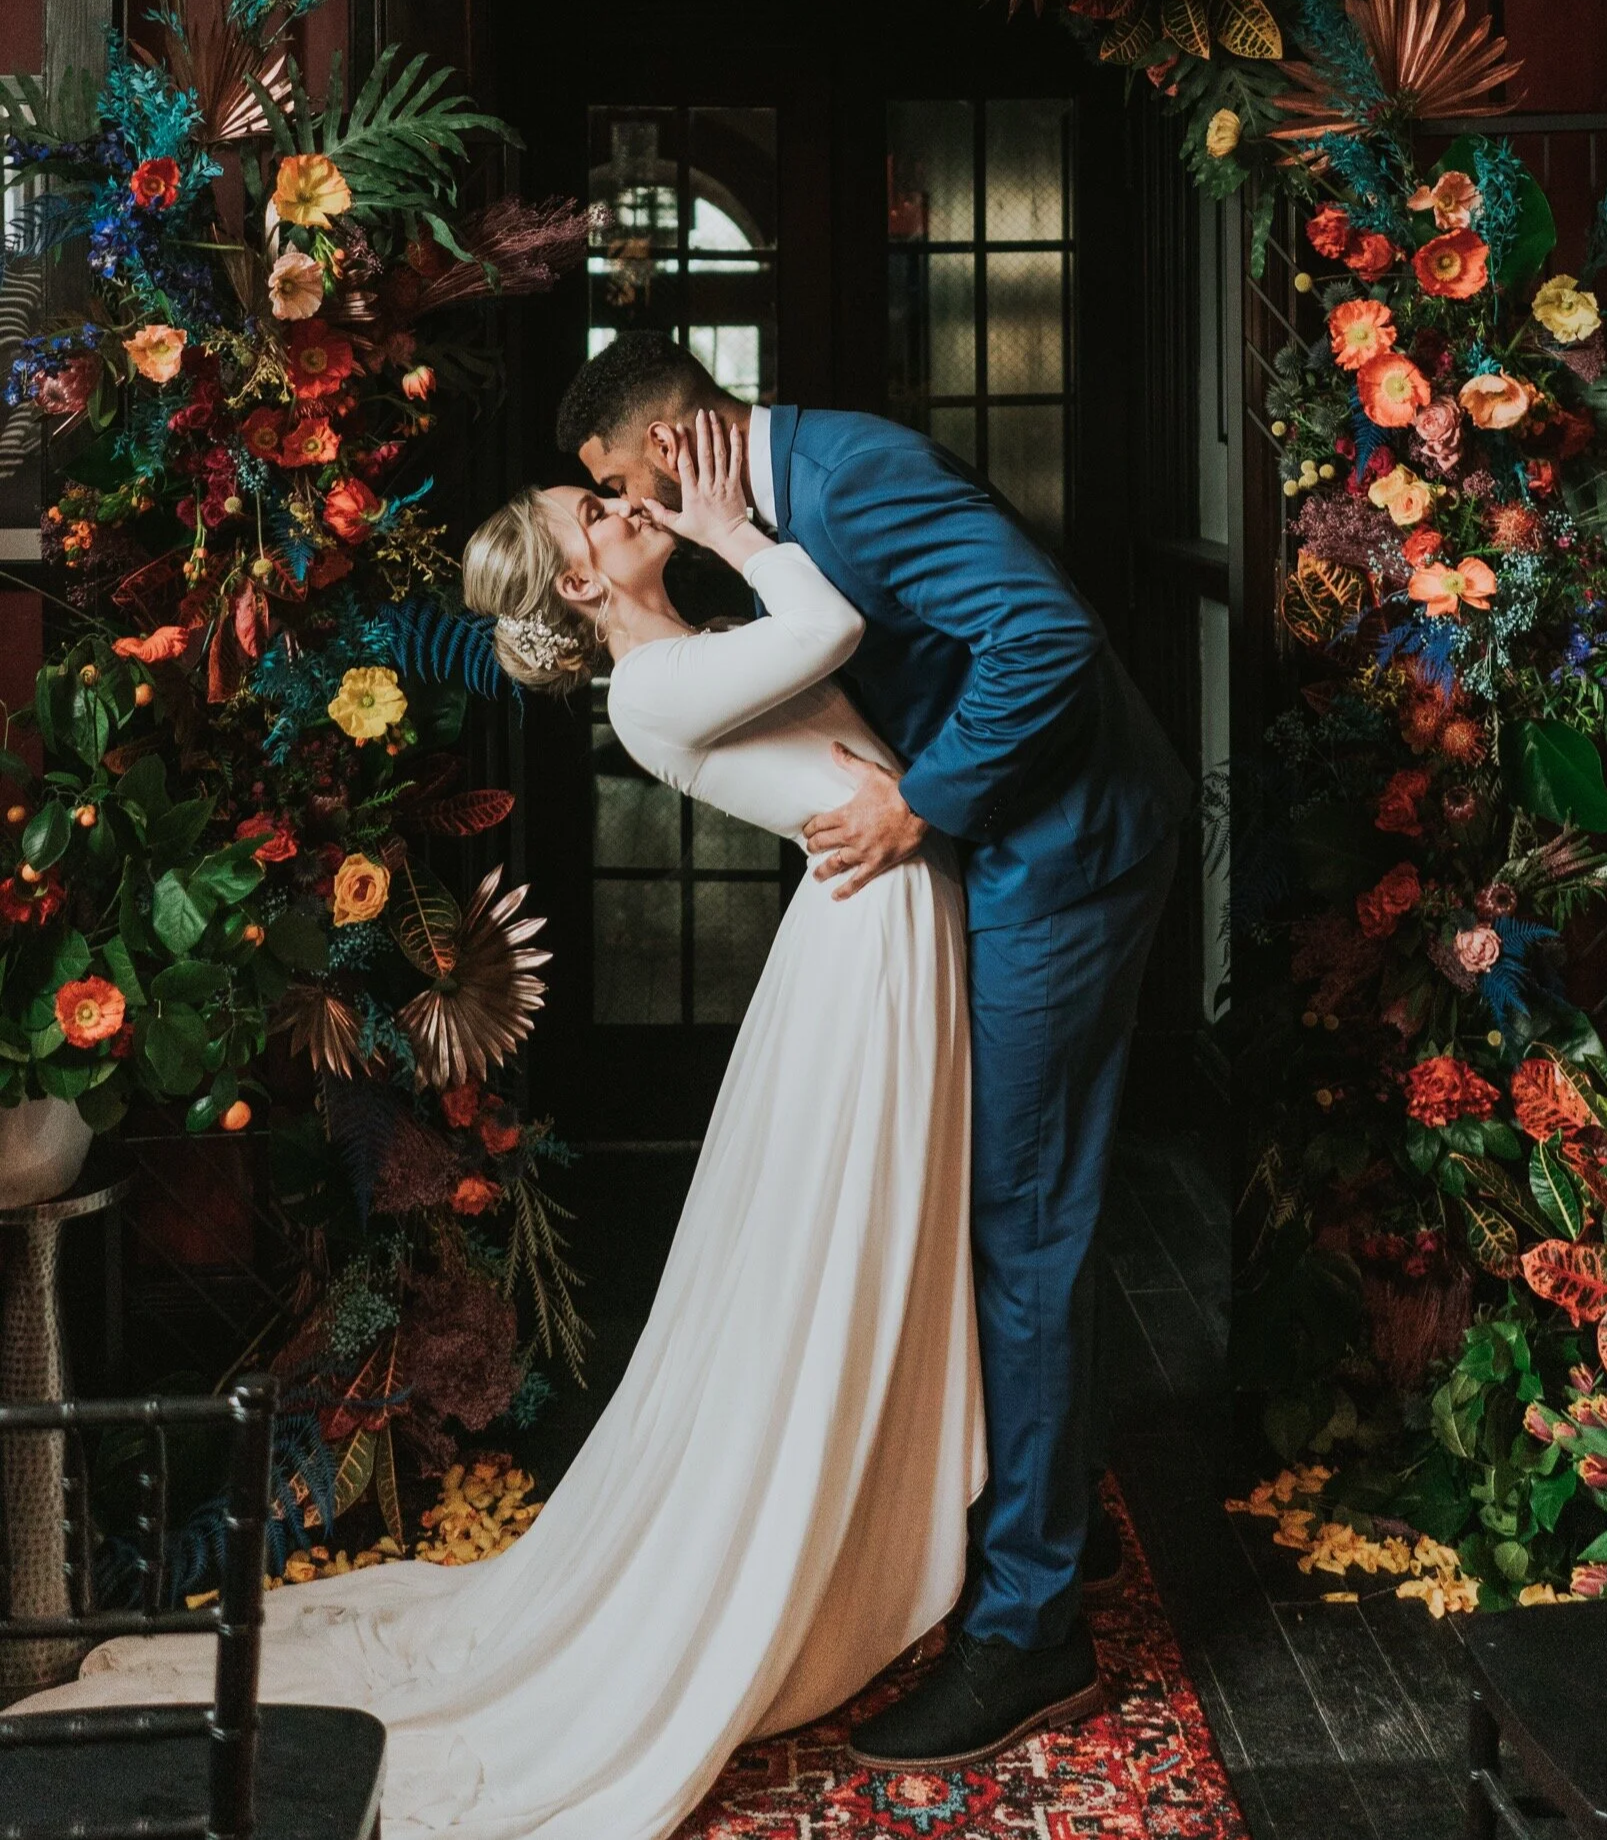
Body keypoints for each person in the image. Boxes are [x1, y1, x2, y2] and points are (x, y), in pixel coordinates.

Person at [18, 416, 995, 1840]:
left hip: (875, 935)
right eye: (592, 517)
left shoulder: (680, 657)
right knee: (854, 1242)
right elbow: (831, 621)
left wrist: (730, 542)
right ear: (583, 591)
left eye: (601, 499)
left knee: (874, 1238)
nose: (617, 510)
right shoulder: (657, 688)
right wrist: (728, 524)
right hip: (869, 951)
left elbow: (821, 643)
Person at [556, 333, 1191, 1770]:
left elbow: (1045, 638)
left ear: (663, 449)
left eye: (610, 485)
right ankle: (1055, 1523)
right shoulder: (785, 505)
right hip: (1005, 850)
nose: (621, 514)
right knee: (996, 1201)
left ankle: (1027, 1630)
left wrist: (927, 807)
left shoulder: (853, 476)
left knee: (1022, 1216)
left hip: (1060, 851)